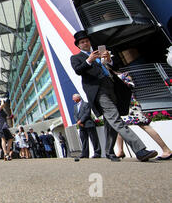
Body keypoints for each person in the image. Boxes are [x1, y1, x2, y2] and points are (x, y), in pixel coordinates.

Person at [70, 30, 157, 162]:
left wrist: (109, 60)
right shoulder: (76, 57)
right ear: (78, 45)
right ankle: (140, 150)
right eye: (82, 42)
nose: (85, 43)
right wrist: (89, 60)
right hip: (98, 90)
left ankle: (109, 152)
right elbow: (78, 70)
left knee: (110, 123)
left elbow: (113, 67)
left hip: (111, 86)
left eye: (87, 41)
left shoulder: (99, 54)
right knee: (115, 119)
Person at [115, 72, 172, 160]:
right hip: (122, 105)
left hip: (130, 104)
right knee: (120, 127)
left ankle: (166, 150)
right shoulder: (113, 75)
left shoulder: (123, 75)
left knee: (144, 125)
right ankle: (120, 151)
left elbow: (131, 86)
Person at [72, 94, 101, 158]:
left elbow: (87, 113)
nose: (72, 99)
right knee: (84, 140)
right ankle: (85, 154)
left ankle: (97, 153)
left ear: (78, 98)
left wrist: (81, 121)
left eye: (73, 98)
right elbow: (75, 115)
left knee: (94, 139)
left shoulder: (86, 104)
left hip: (88, 124)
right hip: (81, 126)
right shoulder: (75, 106)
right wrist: (78, 122)